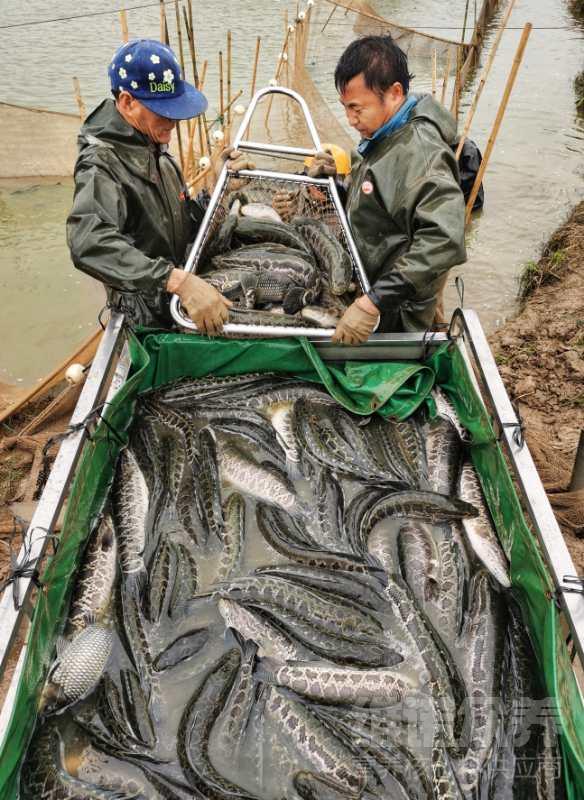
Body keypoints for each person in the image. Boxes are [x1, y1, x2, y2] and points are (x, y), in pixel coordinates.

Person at [275, 35, 467, 345]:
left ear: (394, 93)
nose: (350, 120)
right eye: (345, 108)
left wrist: (372, 302)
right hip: (371, 286)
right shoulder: (387, 134)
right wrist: (345, 176)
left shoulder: (421, 151)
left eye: (357, 108)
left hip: (397, 312)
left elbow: (444, 238)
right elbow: (385, 192)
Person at [67, 39, 232, 335]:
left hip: (177, 299)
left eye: (175, 111)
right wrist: (175, 280)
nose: (173, 123)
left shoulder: (155, 148)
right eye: (163, 111)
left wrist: (221, 184)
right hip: (145, 317)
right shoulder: (101, 164)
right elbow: (88, 242)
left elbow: (182, 222)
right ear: (128, 102)